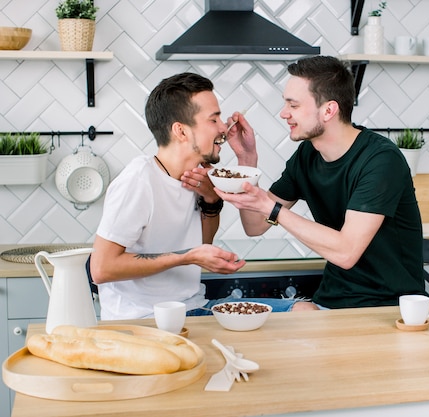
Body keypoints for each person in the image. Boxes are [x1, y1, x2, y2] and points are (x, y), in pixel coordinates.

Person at [89, 72, 316, 320]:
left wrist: (212, 202)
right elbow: (101, 268)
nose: (224, 128)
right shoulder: (138, 181)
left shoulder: (199, 178)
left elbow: (203, 244)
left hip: (194, 308)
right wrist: (188, 257)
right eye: (213, 120)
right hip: (145, 321)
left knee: (305, 311)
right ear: (181, 132)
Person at [216, 56, 426, 309]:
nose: (284, 114)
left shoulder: (380, 160)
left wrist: (272, 209)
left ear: (328, 110)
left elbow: (346, 253)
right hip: (331, 302)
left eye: (293, 105)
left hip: (389, 309)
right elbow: (254, 226)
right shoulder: (307, 155)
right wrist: (246, 159)